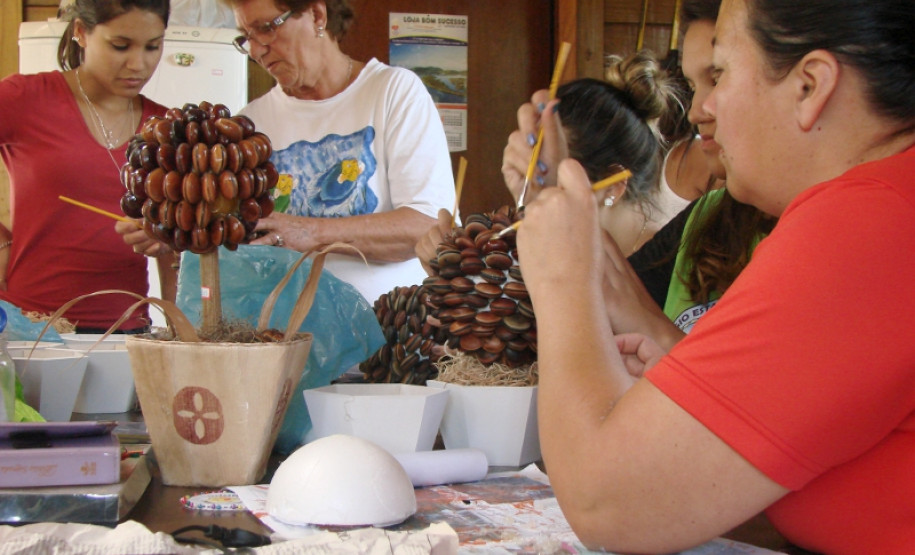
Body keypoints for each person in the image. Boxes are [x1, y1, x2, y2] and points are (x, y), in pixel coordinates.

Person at [516, 0, 915, 553]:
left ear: (810, 85)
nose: (703, 107)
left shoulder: (868, 225)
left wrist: (561, 283)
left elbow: (608, 504)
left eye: (720, 74)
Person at [226, 0, 454, 305]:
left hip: (389, 338)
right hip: (287, 341)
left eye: (266, 28)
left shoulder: (394, 92)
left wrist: (310, 232)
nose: (256, 50)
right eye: (246, 36)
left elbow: (427, 226)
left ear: (317, 15)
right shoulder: (249, 124)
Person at [0, 0, 176, 333]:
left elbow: (176, 260)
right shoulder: (23, 97)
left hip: (126, 332)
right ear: (81, 32)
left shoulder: (165, 127)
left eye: (153, 46)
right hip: (28, 325)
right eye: (120, 46)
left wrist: (182, 336)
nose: (139, 64)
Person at [416, 51, 679, 271]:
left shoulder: (667, 270)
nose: (531, 206)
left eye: (551, 183)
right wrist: (452, 275)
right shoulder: (536, 244)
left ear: (613, 185)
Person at [611, 0, 776, 348]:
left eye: (717, 78)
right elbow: (616, 297)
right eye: (692, 85)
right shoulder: (708, 215)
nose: (697, 113)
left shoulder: (823, 238)